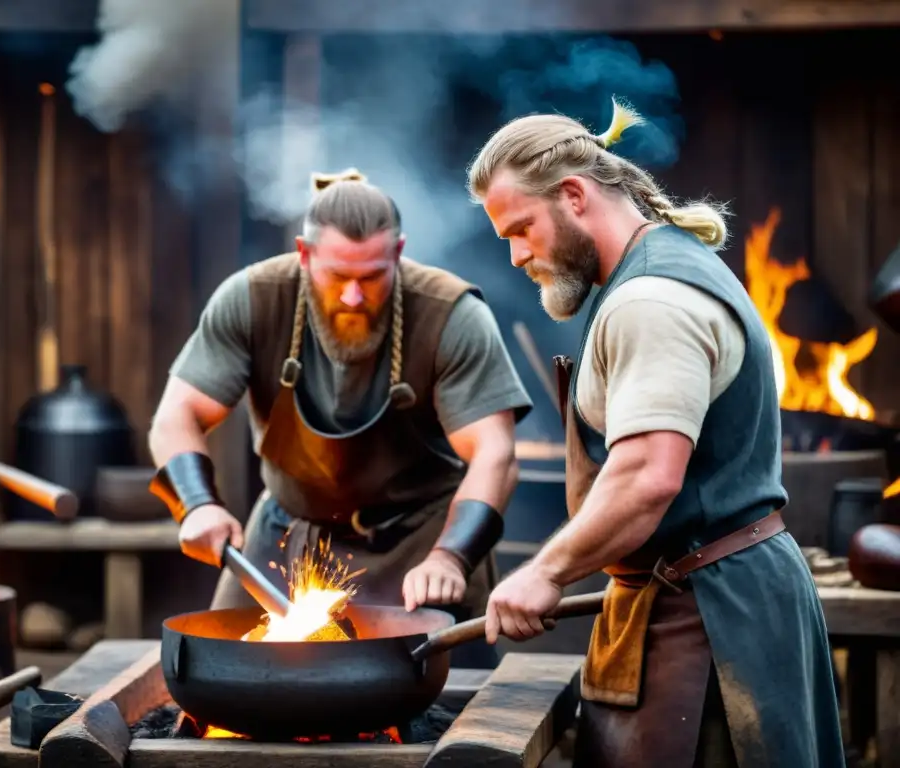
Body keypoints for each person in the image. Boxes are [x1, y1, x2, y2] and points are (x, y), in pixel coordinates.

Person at [466, 100, 846, 765]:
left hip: (711, 625)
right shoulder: (650, 273)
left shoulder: (651, 301)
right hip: (687, 604)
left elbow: (648, 476)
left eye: (521, 229)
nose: (518, 254)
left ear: (575, 195)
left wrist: (545, 572)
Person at [148, 169, 532, 668]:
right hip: (290, 529)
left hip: (419, 540)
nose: (354, 296)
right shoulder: (252, 298)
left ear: (397, 252)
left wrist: (450, 557)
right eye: (338, 277)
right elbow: (177, 415)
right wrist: (197, 505)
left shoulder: (450, 314)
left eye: (371, 277)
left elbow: (494, 453)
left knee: (450, 706)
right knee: (220, 674)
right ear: (304, 255)